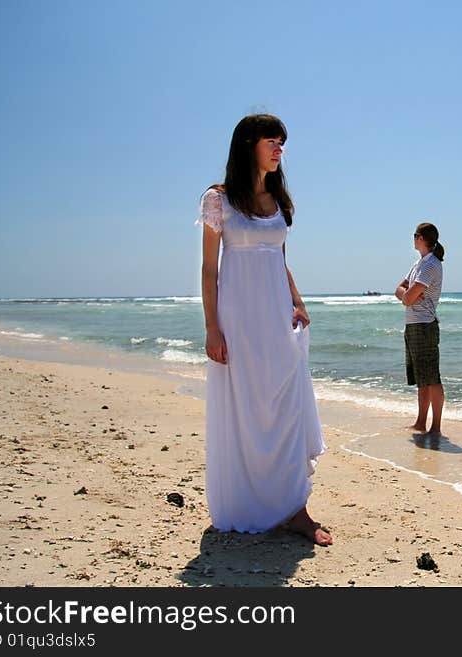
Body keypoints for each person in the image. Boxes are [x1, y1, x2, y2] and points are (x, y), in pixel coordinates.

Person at [198, 114, 331, 546]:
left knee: (285, 408)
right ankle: (246, 502)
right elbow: (208, 269)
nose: (279, 149)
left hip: (276, 318)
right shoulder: (219, 200)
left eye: (282, 143)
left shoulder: (279, 200)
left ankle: (296, 510)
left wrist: (297, 299)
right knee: (247, 411)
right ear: (249, 143)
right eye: (272, 141)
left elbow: (279, 258)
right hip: (238, 322)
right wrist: (212, 328)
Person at [395, 223, 445, 435]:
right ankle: (421, 422)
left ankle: (436, 427)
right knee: (421, 378)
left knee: (432, 377)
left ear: (423, 239)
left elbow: (406, 299)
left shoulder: (430, 265)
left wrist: (407, 295)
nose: (413, 239)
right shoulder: (418, 264)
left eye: (415, 235)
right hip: (414, 324)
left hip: (425, 325)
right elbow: (399, 290)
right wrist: (406, 294)